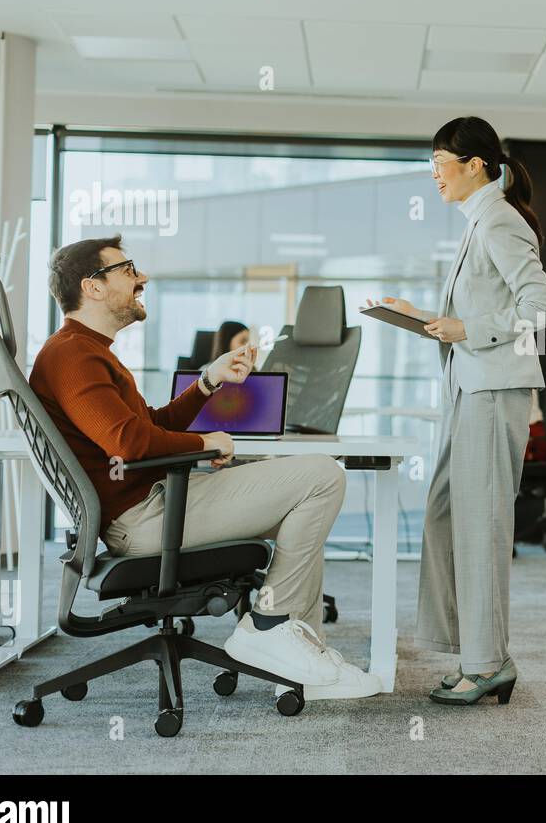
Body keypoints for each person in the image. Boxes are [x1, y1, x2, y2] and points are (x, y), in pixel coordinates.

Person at [30, 235, 378, 701]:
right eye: (128, 269)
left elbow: (149, 424)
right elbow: (129, 443)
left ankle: (302, 658)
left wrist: (208, 381)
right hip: (145, 518)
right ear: (92, 287)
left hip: (153, 504)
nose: (142, 278)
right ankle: (269, 626)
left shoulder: (88, 350)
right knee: (322, 475)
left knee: (305, 509)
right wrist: (203, 441)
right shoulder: (72, 355)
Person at [367, 116, 546, 705]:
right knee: (447, 516)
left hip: (491, 391)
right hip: (467, 388)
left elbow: (543, 312)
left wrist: (468, 328)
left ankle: (487, 663)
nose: (434, 176)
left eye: (440, 163)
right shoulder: (479, 223)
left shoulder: (499, 221)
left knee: (481, 525)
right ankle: (478, 651)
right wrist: (421, 315)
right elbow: (472, 320)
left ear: (475, 164)